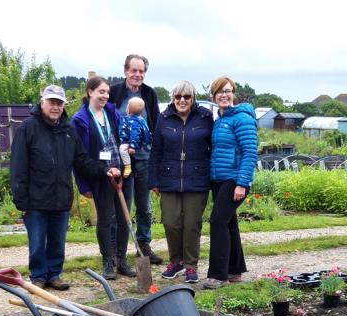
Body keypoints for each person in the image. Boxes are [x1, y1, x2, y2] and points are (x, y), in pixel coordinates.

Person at [10, 84, 120, 290]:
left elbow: (81, 160)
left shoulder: (68, 130)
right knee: (37, 243)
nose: (56, 107)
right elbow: (18, 167)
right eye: (52, 102)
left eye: (59, 103)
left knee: (57, 242)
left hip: (61, 197)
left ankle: (54, 274)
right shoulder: (28, 128)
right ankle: (38, 277)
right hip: (35, 199)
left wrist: (105, 169)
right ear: (42, 102)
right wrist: (20, 199)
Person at [71, 76, 136, 280]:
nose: (105, 96)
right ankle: (107, 262)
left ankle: (122, 260)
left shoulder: (112, 113)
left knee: (125, 218)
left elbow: (122, 136)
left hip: (122, 173)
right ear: (90, 92)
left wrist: (129, 146)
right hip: (101, 175)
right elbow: (79, 157)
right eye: (101, 92)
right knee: (106, 220)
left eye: (107, 92)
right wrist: (103, 170)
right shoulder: (80, 121)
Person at [148, 80, 213, 283]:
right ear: (172, 98)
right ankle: (175, 262)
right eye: (178, 97)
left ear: (192, 99)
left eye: (186, 97)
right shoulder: (164, 117)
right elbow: (156, 150)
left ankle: (191, 266)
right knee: (170, 222)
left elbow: (214, 147)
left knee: (192, 223)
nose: (182, 100)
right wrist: (153, 179)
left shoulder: (205, 117)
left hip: (197, 177)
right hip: (169, 178)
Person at [203, 76, 258, 289]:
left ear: (233, 93)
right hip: (220, 179)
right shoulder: (219, 121)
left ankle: (219, 275)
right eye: (219, 92)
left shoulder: (242, 119)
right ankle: (235, 270)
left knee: (217, 222)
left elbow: (249, 152)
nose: (224, 95)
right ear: (213, 96)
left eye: (227, 91)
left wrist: (242, 183)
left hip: (234, 179)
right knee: (229, 223)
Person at [109, 54, 163, 265]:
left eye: (141, 71)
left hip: (144, 158)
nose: (138, 75)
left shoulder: (149, 94)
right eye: (134, 70)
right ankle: (116, 249)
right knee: (121, 206)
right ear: (126, 71)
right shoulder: (114, 92)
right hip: (120, 159)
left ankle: (144, 244)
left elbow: (156, 124)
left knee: (144, 205)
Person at [119, 97, 152, 178]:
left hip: (130, 143)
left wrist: (132, 146)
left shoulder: (134, 122)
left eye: (127, 106)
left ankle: (127, 166)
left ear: (129, 109)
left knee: (122, 149)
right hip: (129, 141)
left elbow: (135, 135)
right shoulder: (138, 119)